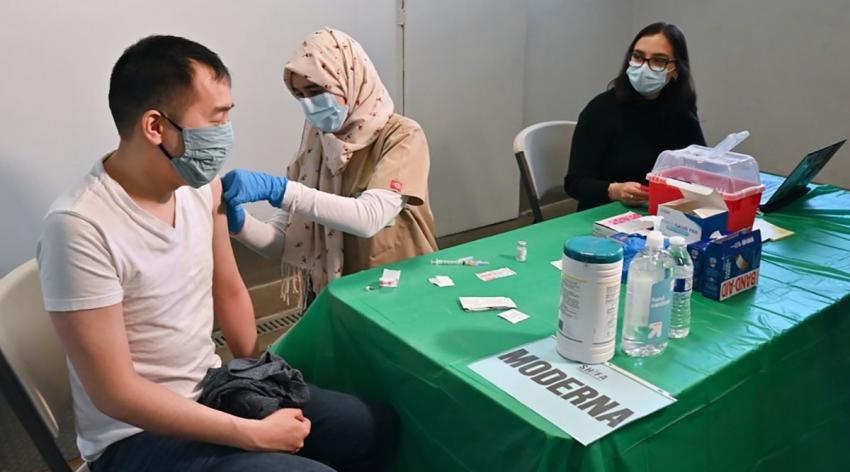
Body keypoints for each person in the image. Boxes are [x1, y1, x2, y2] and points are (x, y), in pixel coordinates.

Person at [36, 35, 396, 471]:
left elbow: (228, 290)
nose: (225, 135)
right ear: (156, 127)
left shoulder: (198, 187)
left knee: (372, 426)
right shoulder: (80, 227)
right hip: (134, 437)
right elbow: (116, 393)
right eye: (216, 118)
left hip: (213, 389)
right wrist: (253, 434)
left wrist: (262, 377)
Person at [223, 28, 437, 303]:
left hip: (397, 290)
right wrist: (239, 224)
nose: (310, 106)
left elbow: (369, 217)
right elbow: (284, 241)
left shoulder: (401, 136)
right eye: (300, 95)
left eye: (316, 91)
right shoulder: (317, 140)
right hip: (336, 294)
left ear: (349, 78)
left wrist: (281, 190)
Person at [564, 22, 707, 211]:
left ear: (675, 69)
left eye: (658, 60)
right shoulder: (601, 109)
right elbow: (575, 183)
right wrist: (615, 190)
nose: (644, 67)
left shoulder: (682, 111)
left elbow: (701, 170)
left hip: (663, 214)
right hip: (605, 213)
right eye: (638, 57)